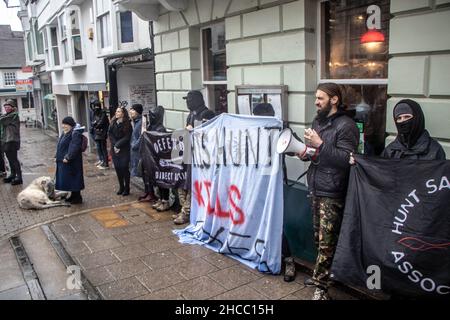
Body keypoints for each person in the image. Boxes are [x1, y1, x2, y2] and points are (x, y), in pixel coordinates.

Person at [298, 83, 359, 300]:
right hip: (316, 185)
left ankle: (322, 288)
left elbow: (347, 160)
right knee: (318, 238)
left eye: (320, 98)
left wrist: (320, 144)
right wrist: (305, 152)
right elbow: (318, 153)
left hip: (333, 190)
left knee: (327, 242)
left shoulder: (347, 126)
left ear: (334, 100)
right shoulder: (318, 121)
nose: (316, 102)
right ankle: (320, 277)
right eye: (316, 97)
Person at [174, 91, 214, 225]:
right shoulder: (191, 114)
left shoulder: (207, 114)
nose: (187, 102)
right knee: (184, 182)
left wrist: (194, 129)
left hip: (201, 157)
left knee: (193, 184)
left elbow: (209, 135)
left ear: (197, 100)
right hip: (189, 153)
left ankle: (187, 212)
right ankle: (183, 209)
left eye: (189, 100)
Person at [382, 99, 446, 160]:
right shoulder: (390, 150)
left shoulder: (435, 150)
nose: (403, 121)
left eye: (407, 117)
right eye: (399, 118)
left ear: (417, 118)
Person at [145, 105, 172, 211]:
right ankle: (161, 199)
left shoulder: (160, 129)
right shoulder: (151, 127)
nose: (150, 118)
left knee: (163, 181)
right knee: (157, 181)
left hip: (161, 160)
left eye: (152, 116)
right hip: (153, 159)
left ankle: (165, 200)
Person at [55, 116, 84, 204]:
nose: (63, 126)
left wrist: (68, 157)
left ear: (71, 125)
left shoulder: (75, 133)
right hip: (65, 161)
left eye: (66, 124)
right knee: (70, 179)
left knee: (74, 179)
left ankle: (77, 198)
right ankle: (73, 196)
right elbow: (61, 145)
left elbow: (74, 147)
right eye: (63, 124)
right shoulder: (66, 132)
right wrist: (56, 155)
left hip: (72, 162)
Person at [109, 106, 132, 196]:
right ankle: (121, 187)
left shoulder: (127, 124)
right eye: (116, 111)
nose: (116, 113)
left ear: (123, 113)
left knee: (124, 168)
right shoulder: (113, 122)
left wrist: (118, 145)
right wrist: (115, 146)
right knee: (118, 168)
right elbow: (110, 134)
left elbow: (127, 137)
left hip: (124, 149)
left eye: (118, 111)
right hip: (115, 149)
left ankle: (127, 188)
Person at [0, 99, 22, 185]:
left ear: (13, 108)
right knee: (9, 159)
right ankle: (13, 174)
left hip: (12, 140)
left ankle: (19, 177)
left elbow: (2, 120)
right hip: (6, 140)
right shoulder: (7, 115)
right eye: (5, 107)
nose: (6, 108)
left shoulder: (14, 115)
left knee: (14, 159)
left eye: (8, 107)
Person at [91, 100, 109, 169]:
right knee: (99, 147)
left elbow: (100, 123)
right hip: (97, 132)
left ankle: (105, 162)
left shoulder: (103, 113)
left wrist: (95, 124)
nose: (95, 108)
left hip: (102, 133)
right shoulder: (95, 113)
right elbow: (93, 122)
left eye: (97, 106)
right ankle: (101, 160)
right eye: (95, 106)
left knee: (103, 148)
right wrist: (95, 124)